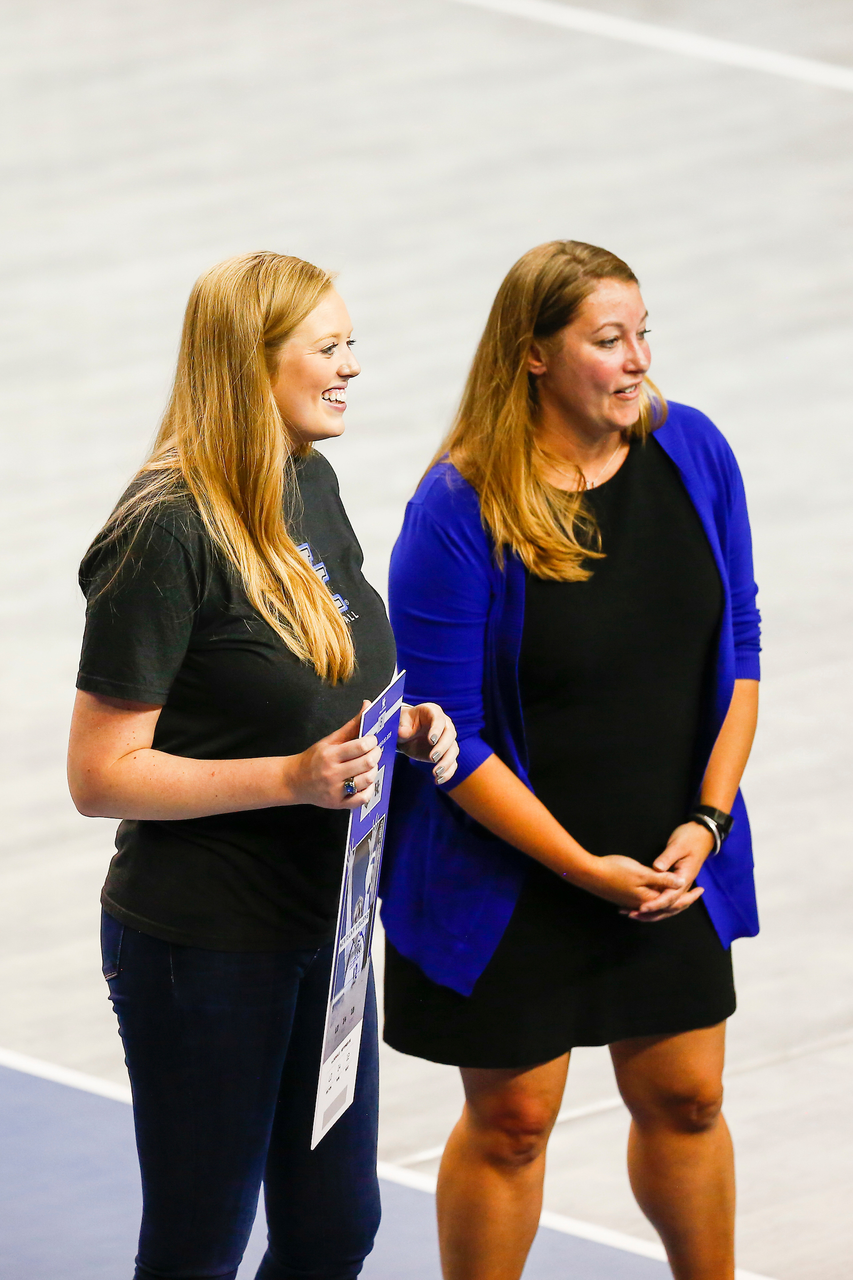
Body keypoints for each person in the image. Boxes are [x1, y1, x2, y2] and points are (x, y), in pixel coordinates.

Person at [67, 251, 458, 1280]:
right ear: (251, 363)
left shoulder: (306, 481)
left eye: (350, 345)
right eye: (328, 348)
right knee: (200, 1244)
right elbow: (101, 771)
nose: (352, 368)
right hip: (205, 946)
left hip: (325, 931)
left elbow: (327, 680)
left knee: (335, 1228)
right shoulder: (163, 532)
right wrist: (291, 777)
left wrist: (403, 723)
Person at [380, 240, 760, 1280]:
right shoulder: (456, 509)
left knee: (688, 1098)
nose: (635, 360)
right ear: (535, 354)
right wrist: (579, 867)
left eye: (643, 334)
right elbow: (449, 735)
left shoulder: (696, 453)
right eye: (607, 340)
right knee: (511, 1122)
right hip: (510, 870)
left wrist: (708, 820)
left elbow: (741, 652)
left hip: (669, 856)